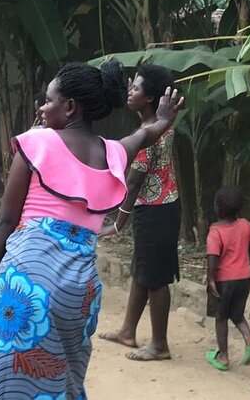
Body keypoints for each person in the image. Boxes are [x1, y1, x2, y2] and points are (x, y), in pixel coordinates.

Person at [0, 60, 183, 398]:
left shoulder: (34, 144)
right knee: (64, 378)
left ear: (69, 107)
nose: (42, 108)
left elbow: (6, 223)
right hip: (79, 290)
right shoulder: (113, 152)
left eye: (48, 100)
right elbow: (145, 133)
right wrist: (163, 117)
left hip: (26, 279)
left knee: (10, 381)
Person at [98, 64, 182, 361]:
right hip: (164, 207)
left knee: (156, 278)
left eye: (135, 88)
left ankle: (159, 345)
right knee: (142, 271)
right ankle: (128, 331)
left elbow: (133, 183)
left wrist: (118, 224)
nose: (129, 92)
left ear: (149, 99)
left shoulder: (148, 133)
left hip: (154, 210)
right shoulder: (164, 121)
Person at [205, 187, 250, 371]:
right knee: (237, 314)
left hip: (224, 280)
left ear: (218, 208)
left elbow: (213, 257)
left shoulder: (215, 231)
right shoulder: (245, 224)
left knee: (221, 317)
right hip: (244, 278)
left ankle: (223, 356)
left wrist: (210, 280)